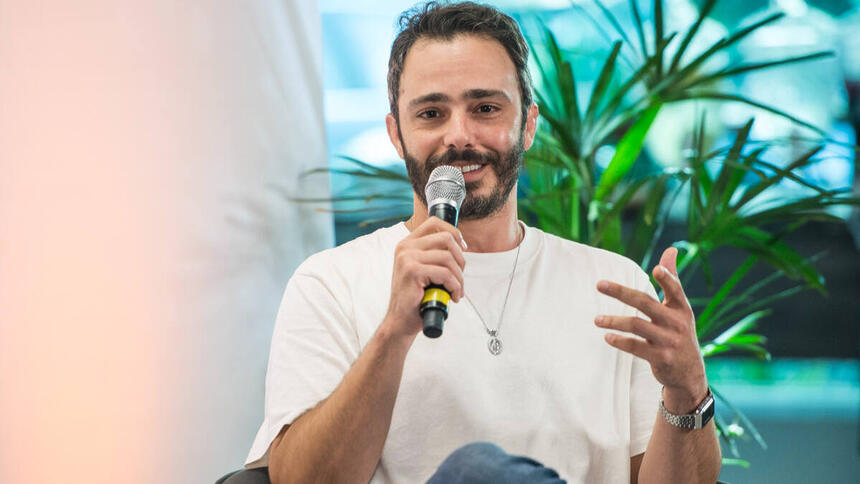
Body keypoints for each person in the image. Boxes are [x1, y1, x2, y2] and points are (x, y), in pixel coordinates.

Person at [245, 2, 722, 483]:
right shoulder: (330, 284)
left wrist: (688, 391)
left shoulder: (615, 284)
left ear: (528, 124)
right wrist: (392, 333)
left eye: (485, 108)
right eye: (431, 113)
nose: (459, 135)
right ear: (396, 134)